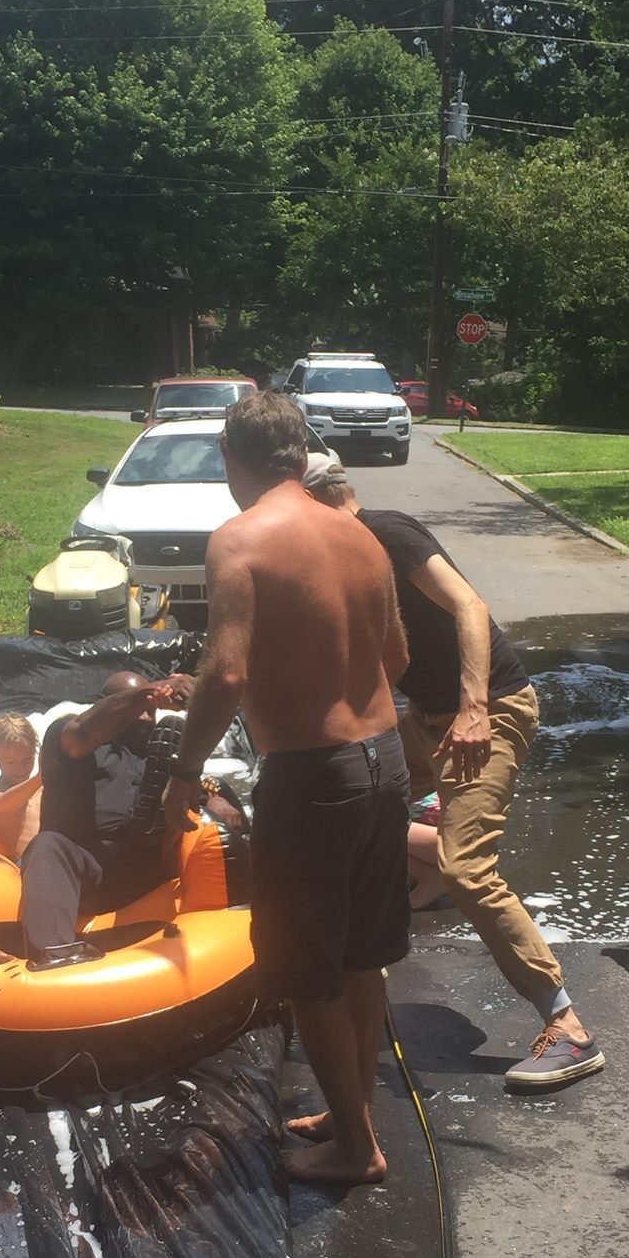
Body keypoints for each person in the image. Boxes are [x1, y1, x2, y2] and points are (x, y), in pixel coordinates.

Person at [164, 395, 410, 1187]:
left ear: (232, 460)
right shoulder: (360, 536)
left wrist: (180, 771)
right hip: (383, 761)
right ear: (300, 456)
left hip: (312, 777)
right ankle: (352, 1115)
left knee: (306, 972)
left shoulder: (240, 539)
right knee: (365, 959)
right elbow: (396, 656)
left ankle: (354, 1150)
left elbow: (225, 672)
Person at [306, 467, 604, 1089]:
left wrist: (473, 709)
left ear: (325, 498)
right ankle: (419, 890)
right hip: (427, 718)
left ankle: (568, 1028)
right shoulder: (348, 554)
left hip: (488, 710)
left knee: (470, 867)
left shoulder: (387, 532)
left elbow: (471, 605)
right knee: (358, 802)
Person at [20, 668, 195, 968]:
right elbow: (84, 733)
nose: (144, 717)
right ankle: (53, 958)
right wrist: (147, 694)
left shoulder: (160, 752)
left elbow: (198, 795)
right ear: (106, 704)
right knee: (48, 844)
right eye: (137, 709)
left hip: (144, 867)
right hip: (84, 866)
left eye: (150, 711)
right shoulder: (69, 737)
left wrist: (219, 800)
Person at [0, 712, 42, 860]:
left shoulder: (42, 789)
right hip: (22, 863)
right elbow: (5, 803)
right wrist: (40, 778)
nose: (21, 768)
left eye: (27, 759)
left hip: (49, 852)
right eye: (11, 762)